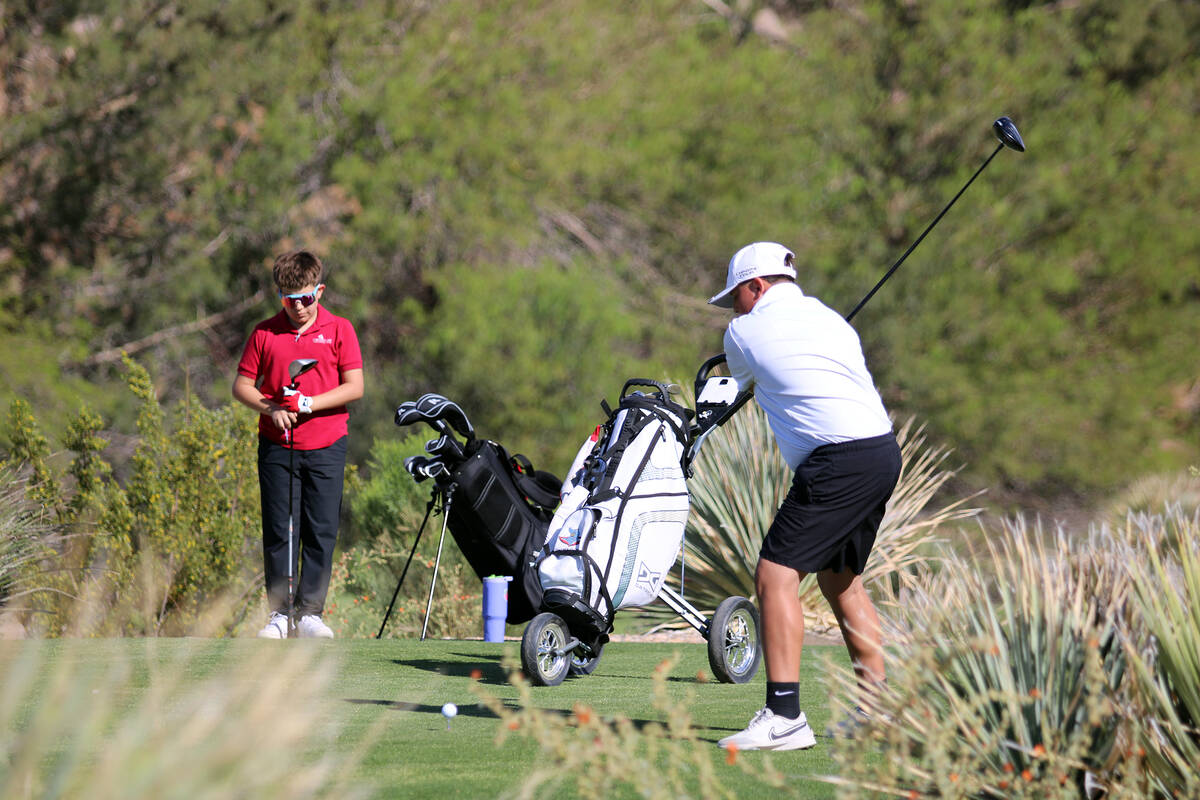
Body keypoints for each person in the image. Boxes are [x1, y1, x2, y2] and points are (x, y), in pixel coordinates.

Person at [708, 242, 901, 751]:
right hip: (881, 452)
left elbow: (738, 383)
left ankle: (784, 715)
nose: (734, 310)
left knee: (775, 574)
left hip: (836, 460)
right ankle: (877, 712)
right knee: (841, 580)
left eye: (737, 298)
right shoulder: (831, 320)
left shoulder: (742, 334)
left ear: (757, 286)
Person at [233, 250, 364, 639]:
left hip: (327, 443)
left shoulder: (340, 329)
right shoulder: (265, 332)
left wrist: (310, 404)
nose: (298, 307)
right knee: (279, 529)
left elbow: (354, 386)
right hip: (278, 445)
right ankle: (280, 614)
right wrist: (271, 408)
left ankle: (310, 614)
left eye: (305, 298)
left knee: (320, 529)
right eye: (289, 299)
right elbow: (242, 386)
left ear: (319, 291)